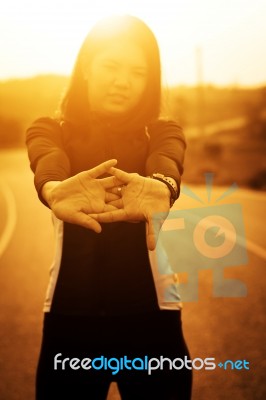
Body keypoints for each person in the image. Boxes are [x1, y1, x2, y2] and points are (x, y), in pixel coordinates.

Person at [26, 14, 192, 400]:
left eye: (138, 71)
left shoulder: (162, 130)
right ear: (86, 68)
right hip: (70, 318)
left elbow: (168, 158)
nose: (123, 81)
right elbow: (46, 156)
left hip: (153, 319)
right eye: (111, 66)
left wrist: (164, 186)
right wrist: (52, 188)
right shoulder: (52, 128)